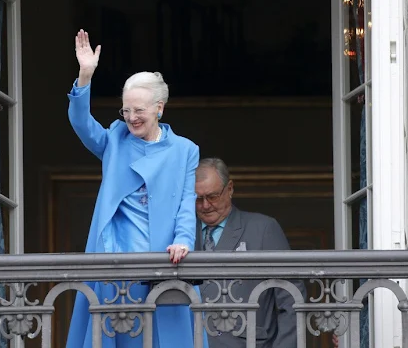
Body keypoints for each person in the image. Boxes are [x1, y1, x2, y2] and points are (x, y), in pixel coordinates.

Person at [66, 29, 202, 348]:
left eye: (138, 110)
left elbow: (186, 201)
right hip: (114, 259)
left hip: (161, 260)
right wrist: (85, 75)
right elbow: (82, 124)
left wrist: (183, 240)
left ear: (159, 108)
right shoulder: (115, 139)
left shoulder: (184, 150)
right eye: (126, 110)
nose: (131, 118)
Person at [194, 158, 306, 348]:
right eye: (197, 198)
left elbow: (292, 298)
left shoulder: (262, 228)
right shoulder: (181, 235)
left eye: (212, 197)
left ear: (229, 189)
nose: (205, 205)